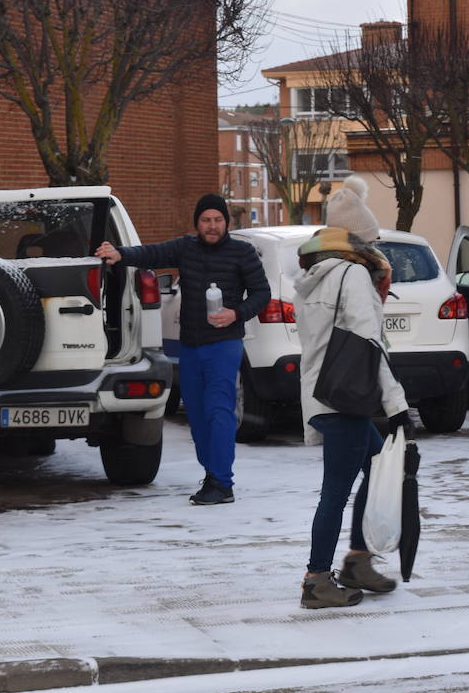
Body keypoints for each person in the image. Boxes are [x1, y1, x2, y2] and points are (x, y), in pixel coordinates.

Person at [96, 194, 269, 505]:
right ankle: (212, 473)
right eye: (206, 220)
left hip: (224, 344)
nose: (212, 226)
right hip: (190, 346)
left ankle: (222, 481)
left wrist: (236, 313)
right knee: (198, 414)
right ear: (197, 223)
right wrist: (119, 254)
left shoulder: (241, 252)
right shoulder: (186, 248)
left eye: (218, 220)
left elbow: (261, 293)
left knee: (218, 410)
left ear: (226, 223)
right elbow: (151, 253)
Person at [292, 178, 412, 609]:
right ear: (359, 240)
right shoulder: (354, 275)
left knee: (380, 465)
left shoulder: (313, 275)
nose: (379, 251)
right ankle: (316, 581)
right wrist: (397, 406)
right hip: (345, 398)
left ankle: (358, 561)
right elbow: (369, 344)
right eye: (374, 242)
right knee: (336, 491)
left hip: (323, 392)